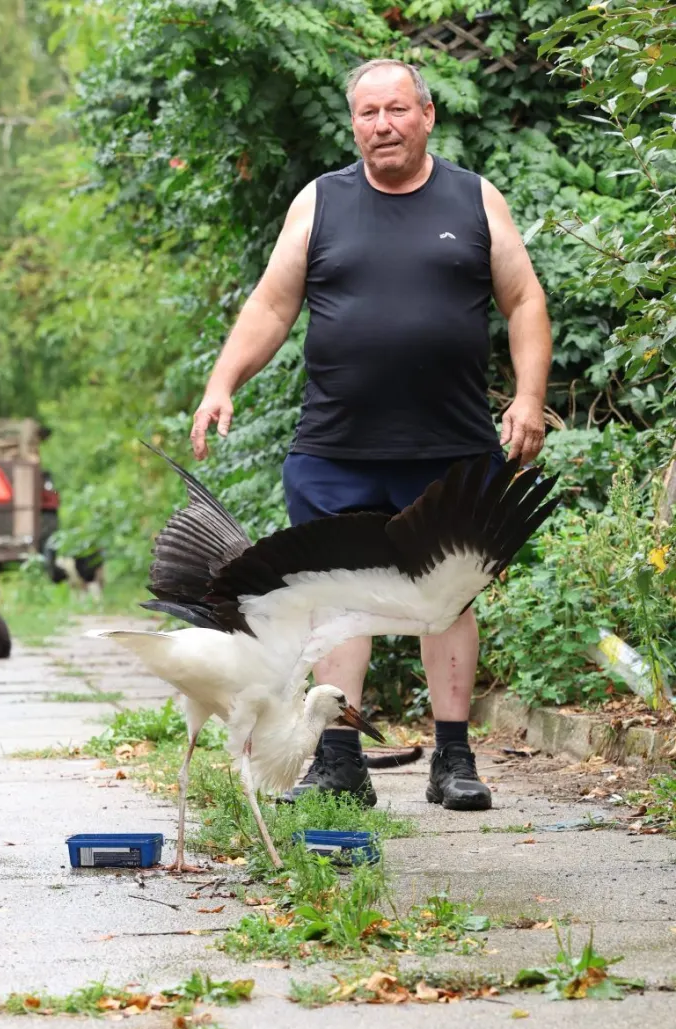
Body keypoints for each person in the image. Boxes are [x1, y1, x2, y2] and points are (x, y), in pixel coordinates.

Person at [190, 57, 551, 810]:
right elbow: (269, 307)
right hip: (334, 449)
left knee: (448, 600)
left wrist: (527, 397)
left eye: (396, 110)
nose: (381, 126)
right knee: (333, 598)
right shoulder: (319, 203)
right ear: (352, 123)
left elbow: (523, 301)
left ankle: (453, 760)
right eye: (366, 114)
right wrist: (223, 384)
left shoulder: (474, 197)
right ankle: (341, 761)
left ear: (426, 115)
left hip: (450, 446)